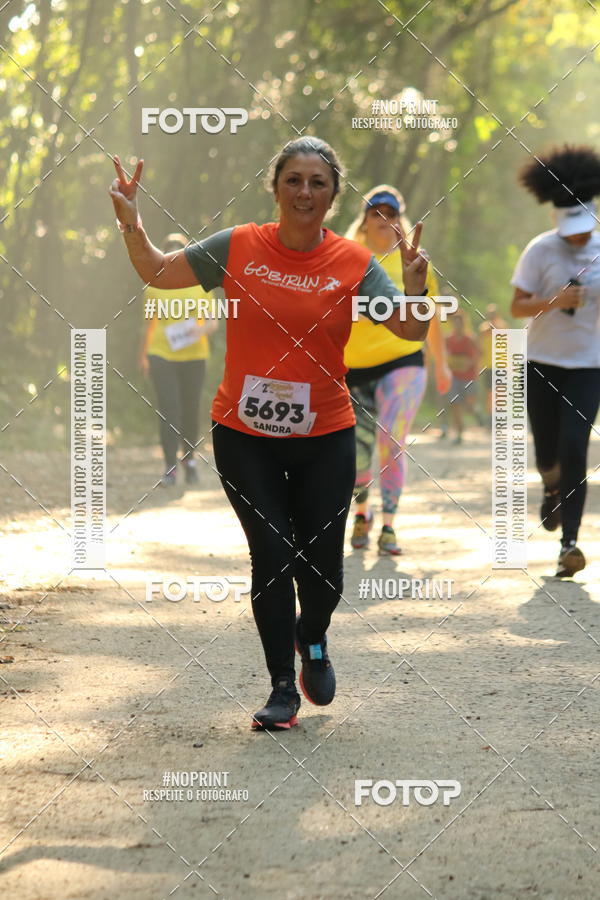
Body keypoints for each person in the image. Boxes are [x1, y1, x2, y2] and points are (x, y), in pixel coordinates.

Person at [109, 138, 431, 730]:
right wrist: (132, 224)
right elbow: (157, 269)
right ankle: (282, 686)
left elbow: (410, 331)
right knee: (273, 553)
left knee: (323, 572)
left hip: (325, 434)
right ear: (276, 188)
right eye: (293, 180)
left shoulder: (355, 263)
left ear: (333, 196)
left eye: (318, 182)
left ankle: (314, 637)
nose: (305, 191)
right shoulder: (238, 246)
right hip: (243, 433)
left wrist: (415, 287)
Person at [344, 185, 451, 555]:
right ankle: (362, 512)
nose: (383, 219)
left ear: (399, 220)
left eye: (391, 213)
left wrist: (441, 363)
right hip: (354, 368)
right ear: (364, 221)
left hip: (404, 360)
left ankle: (389, 523)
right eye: (376, 213)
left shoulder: (413, 260)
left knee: (391, 439)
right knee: (357, 451)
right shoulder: (347, 256)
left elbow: (428, 315)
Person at [511, 144, 600, 577]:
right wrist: (553, 301)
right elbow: (517, 306)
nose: (578, 238)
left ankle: (570, 544)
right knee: (548, 453)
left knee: (574, 444)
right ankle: (551, 488)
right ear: (556, 220)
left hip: (589, 365)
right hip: (541, 362)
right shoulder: (540, 250)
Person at [139, 233, 217, 487]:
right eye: (168, 255)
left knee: (190, 409)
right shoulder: (153, 285)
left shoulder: (201, 284)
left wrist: (197, 330)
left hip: (194, 356)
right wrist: (143, 355)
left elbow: (213, 322)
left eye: (178, 255)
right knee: (169, 408)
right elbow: (148, 324)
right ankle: (170, 467)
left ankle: (189, 460)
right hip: (161, 353)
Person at [445, 310, 481, 444]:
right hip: (454, 376)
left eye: (459, 322)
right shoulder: (448, 339)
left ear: (463, 323)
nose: (457, 325)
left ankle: (477, 412)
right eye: (454, 322)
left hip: (469, 376)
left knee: (469, 405)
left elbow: (480, 353)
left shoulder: (470, 338)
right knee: (455, 404)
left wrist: (470, 362)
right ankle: (459, 433)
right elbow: (443, 354)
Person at [478, 304, 507, 422]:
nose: (492, 316)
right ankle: (490, 416)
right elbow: (482, 337)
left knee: (499, 391)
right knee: (489, 392)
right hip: (487, 365)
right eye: (490, 314)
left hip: (500, 364)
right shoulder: (483, 327)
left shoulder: (503, 326)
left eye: (493, 314)